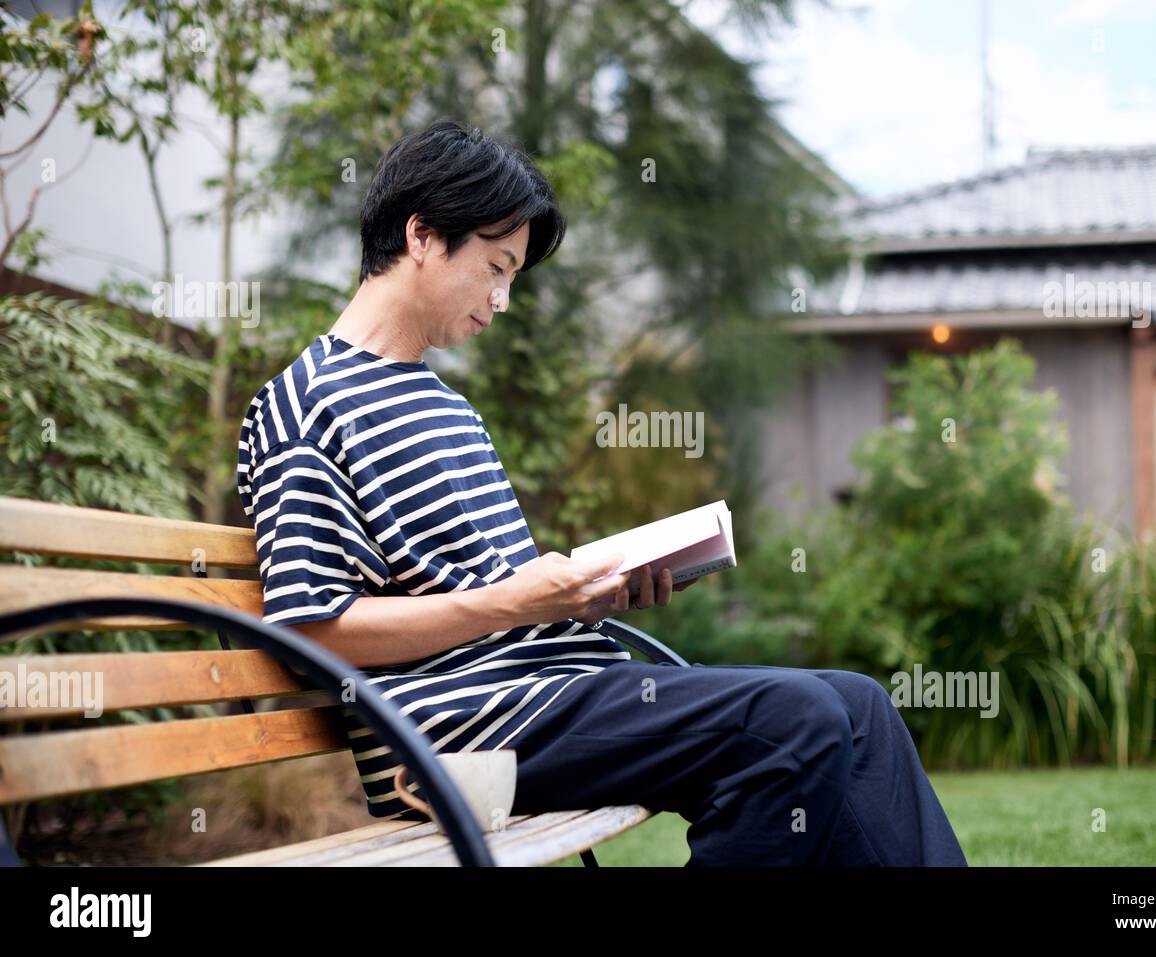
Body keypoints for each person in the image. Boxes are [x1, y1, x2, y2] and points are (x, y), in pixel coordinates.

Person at [235, 119, 967, 866]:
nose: (503, 297)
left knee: (860, 705)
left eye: (512, 276)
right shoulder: (306, 404)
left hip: (556, 689)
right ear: (421, 235)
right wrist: (513, 604)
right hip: (453, 739)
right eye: (496, 266)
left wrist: (592, 592)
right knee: (796, 719)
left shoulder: (445, 404)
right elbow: (310, 632)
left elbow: (503, 592)